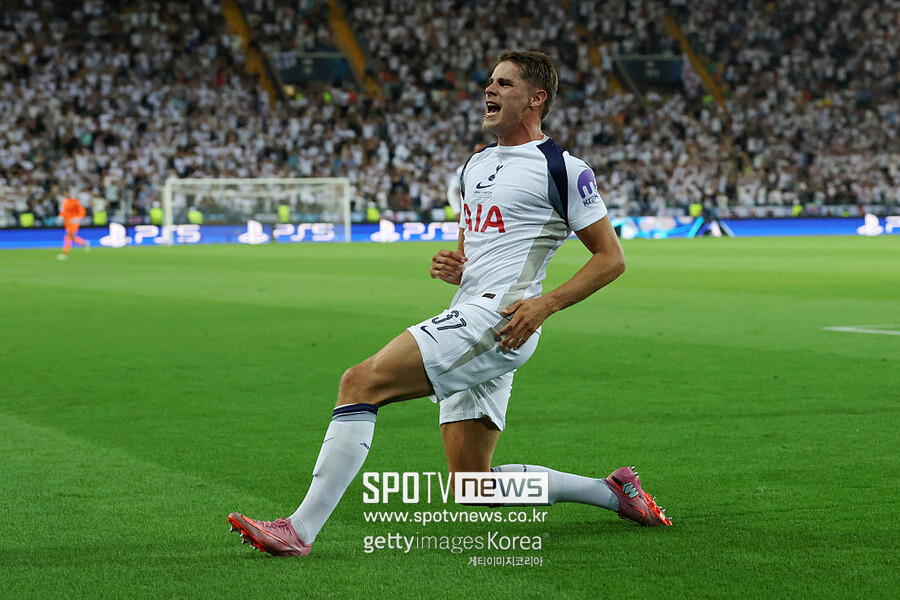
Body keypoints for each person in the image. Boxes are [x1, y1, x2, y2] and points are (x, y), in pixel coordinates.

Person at [228, 50, 670, 557]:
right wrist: (458, 268)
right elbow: (477, 249)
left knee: (360, 382)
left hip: (501, 319)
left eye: (504, 83)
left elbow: (611, 258)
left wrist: (543, 305)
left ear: (536, 98)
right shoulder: (475, 164)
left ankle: (299, 529)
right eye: (490, 81)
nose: (489, 89)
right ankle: (613, 492)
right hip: (473, 309)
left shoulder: (563, 169)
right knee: (472, 487)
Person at [58, 196, 90, 260]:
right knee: (71, 237)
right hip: (67, 222)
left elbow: (82, 211)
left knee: (68, 236)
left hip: (74, 222)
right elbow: (64, 211)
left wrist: (78, 218)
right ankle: (84, 243)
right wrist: (61, 216)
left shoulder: (76, 202)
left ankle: (65, 254)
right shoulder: (65, 202)